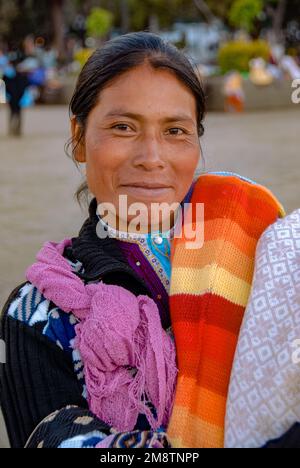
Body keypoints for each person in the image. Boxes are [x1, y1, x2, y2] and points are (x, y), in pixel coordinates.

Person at [0, 32, 299, 449]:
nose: (152, 157)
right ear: (80, 136)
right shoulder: (38, 314)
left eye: (176, 130)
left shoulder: (263, 262)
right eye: (123, 127)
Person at [2, 56, 30, 136]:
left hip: (17, 97)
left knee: (15, 113)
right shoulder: (9, 75)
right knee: (15, 113)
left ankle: (16, 130)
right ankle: (14, 130)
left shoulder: (19, 75)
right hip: (14, 97)